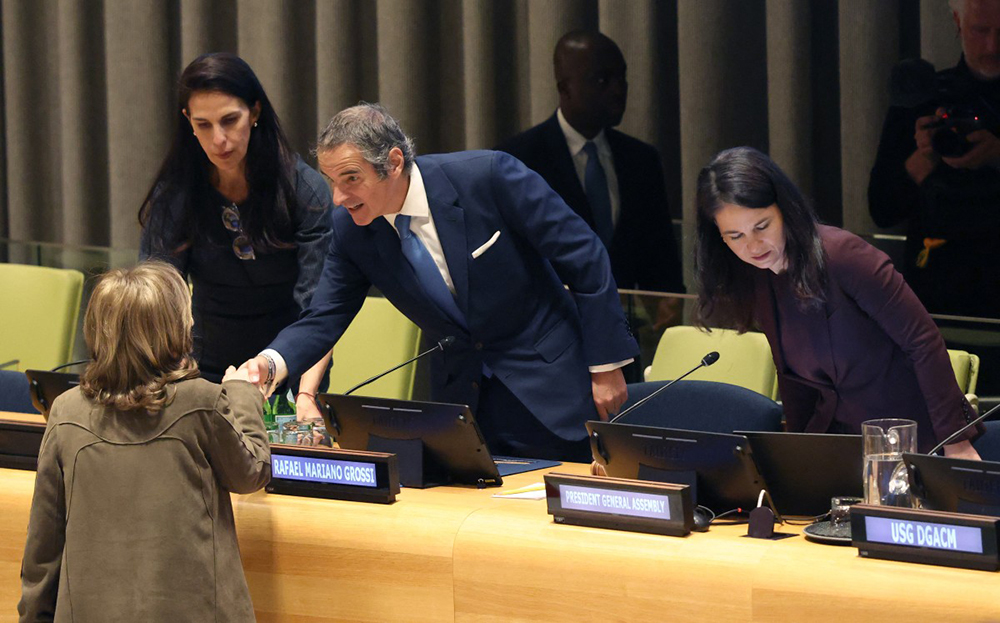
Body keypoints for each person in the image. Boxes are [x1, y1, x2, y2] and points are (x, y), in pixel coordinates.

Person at [241, 103, 639, 462]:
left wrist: (605, 366)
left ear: (393, 162)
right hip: (463, 408)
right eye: (331, 181)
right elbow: (323, 317)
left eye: (350, 178)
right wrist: (269, 364)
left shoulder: (489, 176)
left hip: (553, 389)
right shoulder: (352, 230)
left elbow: (583, 256)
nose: (338, 198)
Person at [18, 261, 270, 622]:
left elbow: (42, 553)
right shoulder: (201, 401)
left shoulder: (65, 412)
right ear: (173, 331)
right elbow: (251, 472)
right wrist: (243, 394)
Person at [697, 147, 981, 458]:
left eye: (761, 226)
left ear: (785, 209)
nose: (752, 246)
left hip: (911, 439)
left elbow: (923, 341)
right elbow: (793, 380)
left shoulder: (844, 256)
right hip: (839, 444)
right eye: (735, 236)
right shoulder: (759, 275)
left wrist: (956, 442)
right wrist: (798, 455)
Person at [140, 52, 334, 420]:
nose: (220, 140)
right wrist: (170, 380)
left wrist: (307, 394)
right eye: (204, 125)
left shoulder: (303, 191)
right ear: (188, 123)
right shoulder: (177, 195)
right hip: (202, 371)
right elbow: (156, 300)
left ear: (255, 111)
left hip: (291, 374)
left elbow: (322, 311)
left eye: (230, 120)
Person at [497, 30, 684, 299]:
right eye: (602, 79)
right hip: (551, 329)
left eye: (622, 77)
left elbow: (662, 264)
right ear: (565, 88)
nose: (618, 89)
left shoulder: (642, 160)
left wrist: (670, 310)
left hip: (628, 331)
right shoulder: (518, 161)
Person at [868, 0, 1000, 318]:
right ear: (957, 22)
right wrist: (924, 158)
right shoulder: (922, 97)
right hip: (936, 296)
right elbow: (883, 209)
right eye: (980, 30)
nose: (992, 46)